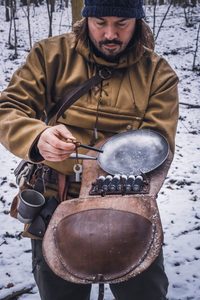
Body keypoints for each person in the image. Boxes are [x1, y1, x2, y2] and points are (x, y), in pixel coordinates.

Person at [0, 0, 179, 299]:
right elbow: (8, 108)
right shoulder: (49, 56)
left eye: (121, 23)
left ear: (137, 21)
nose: (110, 34)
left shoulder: (157, 74)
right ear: (86, 19)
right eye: (100, 22)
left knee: (144, 292)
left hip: (129, 205)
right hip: (56, 200)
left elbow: (157, 144)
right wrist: (37, 137)